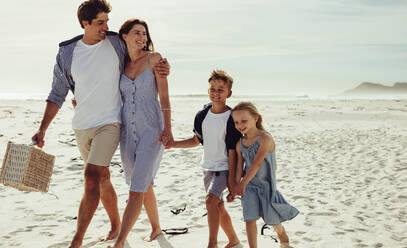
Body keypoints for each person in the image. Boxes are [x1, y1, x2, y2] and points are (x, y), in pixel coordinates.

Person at [31, 1, 169, 247]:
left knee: (92, 175)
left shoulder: (115, 43)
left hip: (111, 122)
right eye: (100, 22)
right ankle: (116, 225)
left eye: (107, 21)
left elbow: (141, 56)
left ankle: (78, 239)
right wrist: (43, 128)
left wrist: (162, 65)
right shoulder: (67, 53)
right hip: (82, 124)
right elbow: (56, 94)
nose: (107, 27)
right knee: (103, 176)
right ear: (86, 23)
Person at [107, 18, 173, 248]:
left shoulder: (155, 59)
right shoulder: (120, 65)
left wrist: (168, 129)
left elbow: (164, 97)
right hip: (128, 135)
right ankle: (156, 228)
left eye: (144, 34)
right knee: (143, 184)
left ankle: (120, 242)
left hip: (152, 132)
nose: (142, 38)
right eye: (137, 33)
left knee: (137, 188)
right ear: (124, 36)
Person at [167, 70, 242, 248]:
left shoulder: (232, 118)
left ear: (229, 94)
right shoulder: (202, 115)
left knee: (210, 200)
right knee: (218, 206)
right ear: (208, 91)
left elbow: (233, 151)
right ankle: (233, 239)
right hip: (207, 167)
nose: (216, 93)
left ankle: (212, 244)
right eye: (213, 89)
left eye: (221, 90)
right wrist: (173, 144)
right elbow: (196, 141)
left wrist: (232, 181)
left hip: (224, 168)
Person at [230, 102, 299, 248]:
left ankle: (282, 235)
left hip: (266, 186)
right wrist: (235, 188)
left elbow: (257, 164)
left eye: (244, 121)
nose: (240, 125)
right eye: (236, 122)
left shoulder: (265, 138)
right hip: (248, 187)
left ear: (255, 118)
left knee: (272, 219)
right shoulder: (240, 143)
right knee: (249, 218)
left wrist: (242, 184)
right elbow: (239, 167)